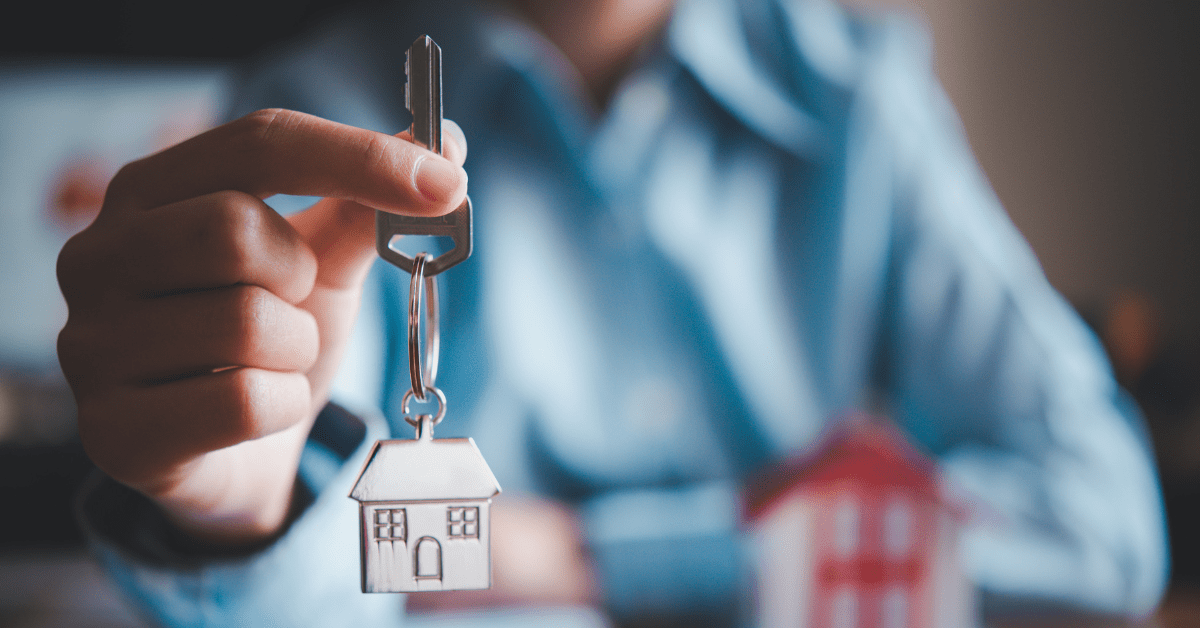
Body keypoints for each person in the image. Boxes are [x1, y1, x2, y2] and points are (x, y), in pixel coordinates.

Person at [57, 0, 1169, 625]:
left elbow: (1101, 528)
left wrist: (580, 555)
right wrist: (247, 510)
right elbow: (333, 595)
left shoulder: (862, 100)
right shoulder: (310, 109)